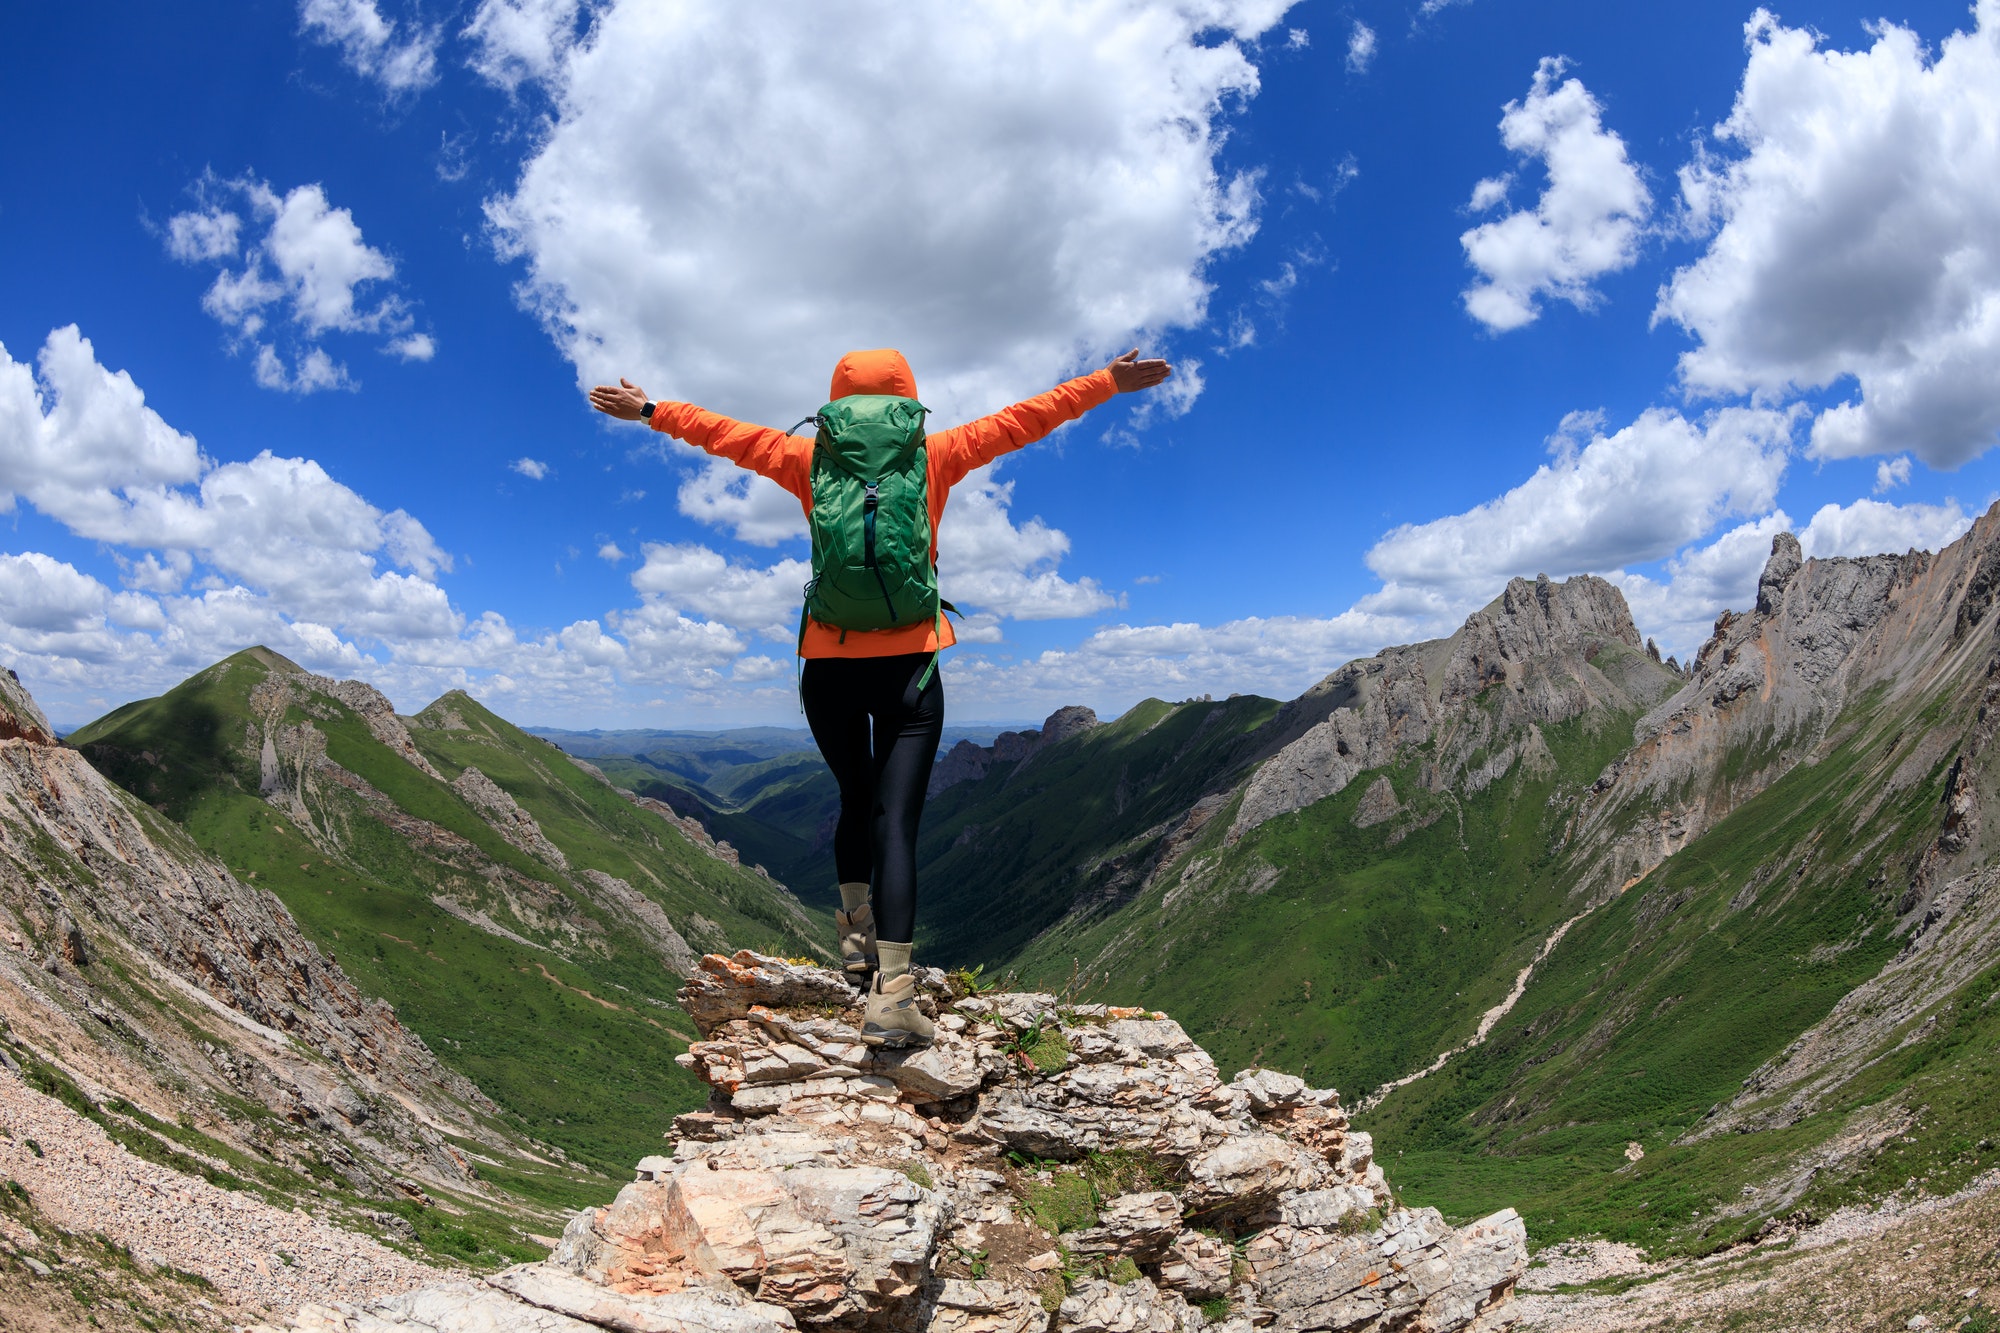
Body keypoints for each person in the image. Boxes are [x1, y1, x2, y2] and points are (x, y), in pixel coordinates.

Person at [590, 347, 1172, 1046]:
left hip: (827, 665)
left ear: (835, 405)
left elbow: (722, 432)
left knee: (853, 801)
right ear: (907, 402)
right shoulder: (938, 454)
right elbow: (1029, 419)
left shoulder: (806, 459)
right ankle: (892, 997)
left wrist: (651, 409)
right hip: (912, 667)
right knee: (894, 823)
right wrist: (1107, 381)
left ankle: (854, 938)